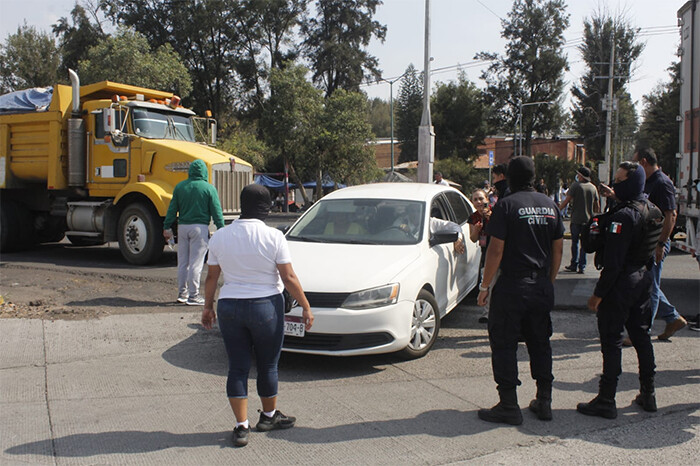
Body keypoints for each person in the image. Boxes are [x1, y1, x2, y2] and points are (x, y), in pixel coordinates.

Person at [201, 184, 314, 447]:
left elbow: (212, 277)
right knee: (268, 364)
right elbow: (288, 277)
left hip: (230, 307)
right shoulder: (274, 237)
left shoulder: (220, 236)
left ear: (242, 205)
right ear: (266, 208)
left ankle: (242, 428)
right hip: (265, 307)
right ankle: (269, 416)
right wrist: (306, 306)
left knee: (238, 367)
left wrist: (208, 307)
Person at [477, 156, 564, 425]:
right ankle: (544, 400)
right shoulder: (550, 205)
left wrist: (484, 286)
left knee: (503, 344)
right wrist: (548, 280)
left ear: (510, 178)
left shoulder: (507, 205)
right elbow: (558, 248)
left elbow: (496, 249)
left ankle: (508, 404)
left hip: (512, 286)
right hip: (540, 285)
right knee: (540, 343)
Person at [577, 161, 659, 419]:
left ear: (631, 183)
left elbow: (612, 264)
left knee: (611, 341)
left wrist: (598, 295)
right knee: (641, 336)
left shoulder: (623, 217)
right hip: (643, 279)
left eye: (620, 180)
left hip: (622, 283)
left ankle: (606, 398)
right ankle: (648, 393)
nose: (614, 184)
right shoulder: (653, 210)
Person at [632, 148, 687, 340]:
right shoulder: (648, 182)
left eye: (636, 163)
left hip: (656, 243)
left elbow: (671, 216)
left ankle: (642, 332)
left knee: (650, 287)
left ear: (644, 162)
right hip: (646, 242)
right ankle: (673, 318)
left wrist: (661, 243)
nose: (634, 167)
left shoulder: (662, 183)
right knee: (650, 284)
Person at [163, 159, 224, 306]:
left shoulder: (180, 187)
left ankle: (181, 294)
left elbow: (172, 209)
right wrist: (221, 229)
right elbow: (216, 212)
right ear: (204, 171)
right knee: (196, 264)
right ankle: (193, 296)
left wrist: (167, 227)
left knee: (183, 262)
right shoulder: (209, 189)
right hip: (200, 228)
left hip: (182, 227)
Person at [559, 166, 600, 274]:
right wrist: (596, 217)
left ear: (581, 176)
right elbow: (597, 205)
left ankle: (574, 264)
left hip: (576, 219)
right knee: (584, 244)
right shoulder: (593, 187)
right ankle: (582, 266)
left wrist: (557, 210)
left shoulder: (576, 186)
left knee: (575, 242)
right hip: (588, 220)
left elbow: (566, 201)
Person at [469, 189, 492, 324]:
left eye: (481, 199)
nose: (478, 202)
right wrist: (476, 230)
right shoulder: (473, 217)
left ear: (487, 200)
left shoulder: (495, 212)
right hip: (485, 253)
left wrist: (491, 218)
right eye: (475, 199)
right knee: (485, 281)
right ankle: (487, 313)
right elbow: (473, 239)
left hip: (497, 250)